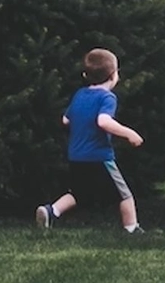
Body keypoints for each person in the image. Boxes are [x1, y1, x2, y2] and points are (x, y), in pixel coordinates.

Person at [34, 47, 145, 234]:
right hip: (99, 156)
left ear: (86, 75)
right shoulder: (107, 97)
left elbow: (65, 119)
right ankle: (132, 229)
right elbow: (103, 121)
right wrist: (129, 134)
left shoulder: (80, 94)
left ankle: (51, 211)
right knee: (124, 195)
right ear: (113, 76)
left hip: (77, 155)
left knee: (78, 193)